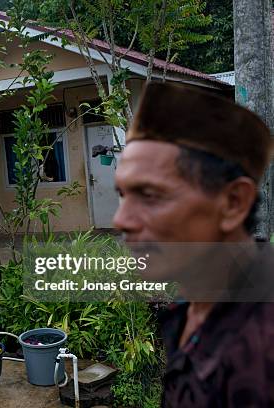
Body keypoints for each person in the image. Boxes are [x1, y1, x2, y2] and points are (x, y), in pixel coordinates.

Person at [113, 82, 273, 406]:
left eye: (150, 195)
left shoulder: (262, 349)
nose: (121, 220)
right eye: (122, 194)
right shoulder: (193, 303)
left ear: (232, 203)